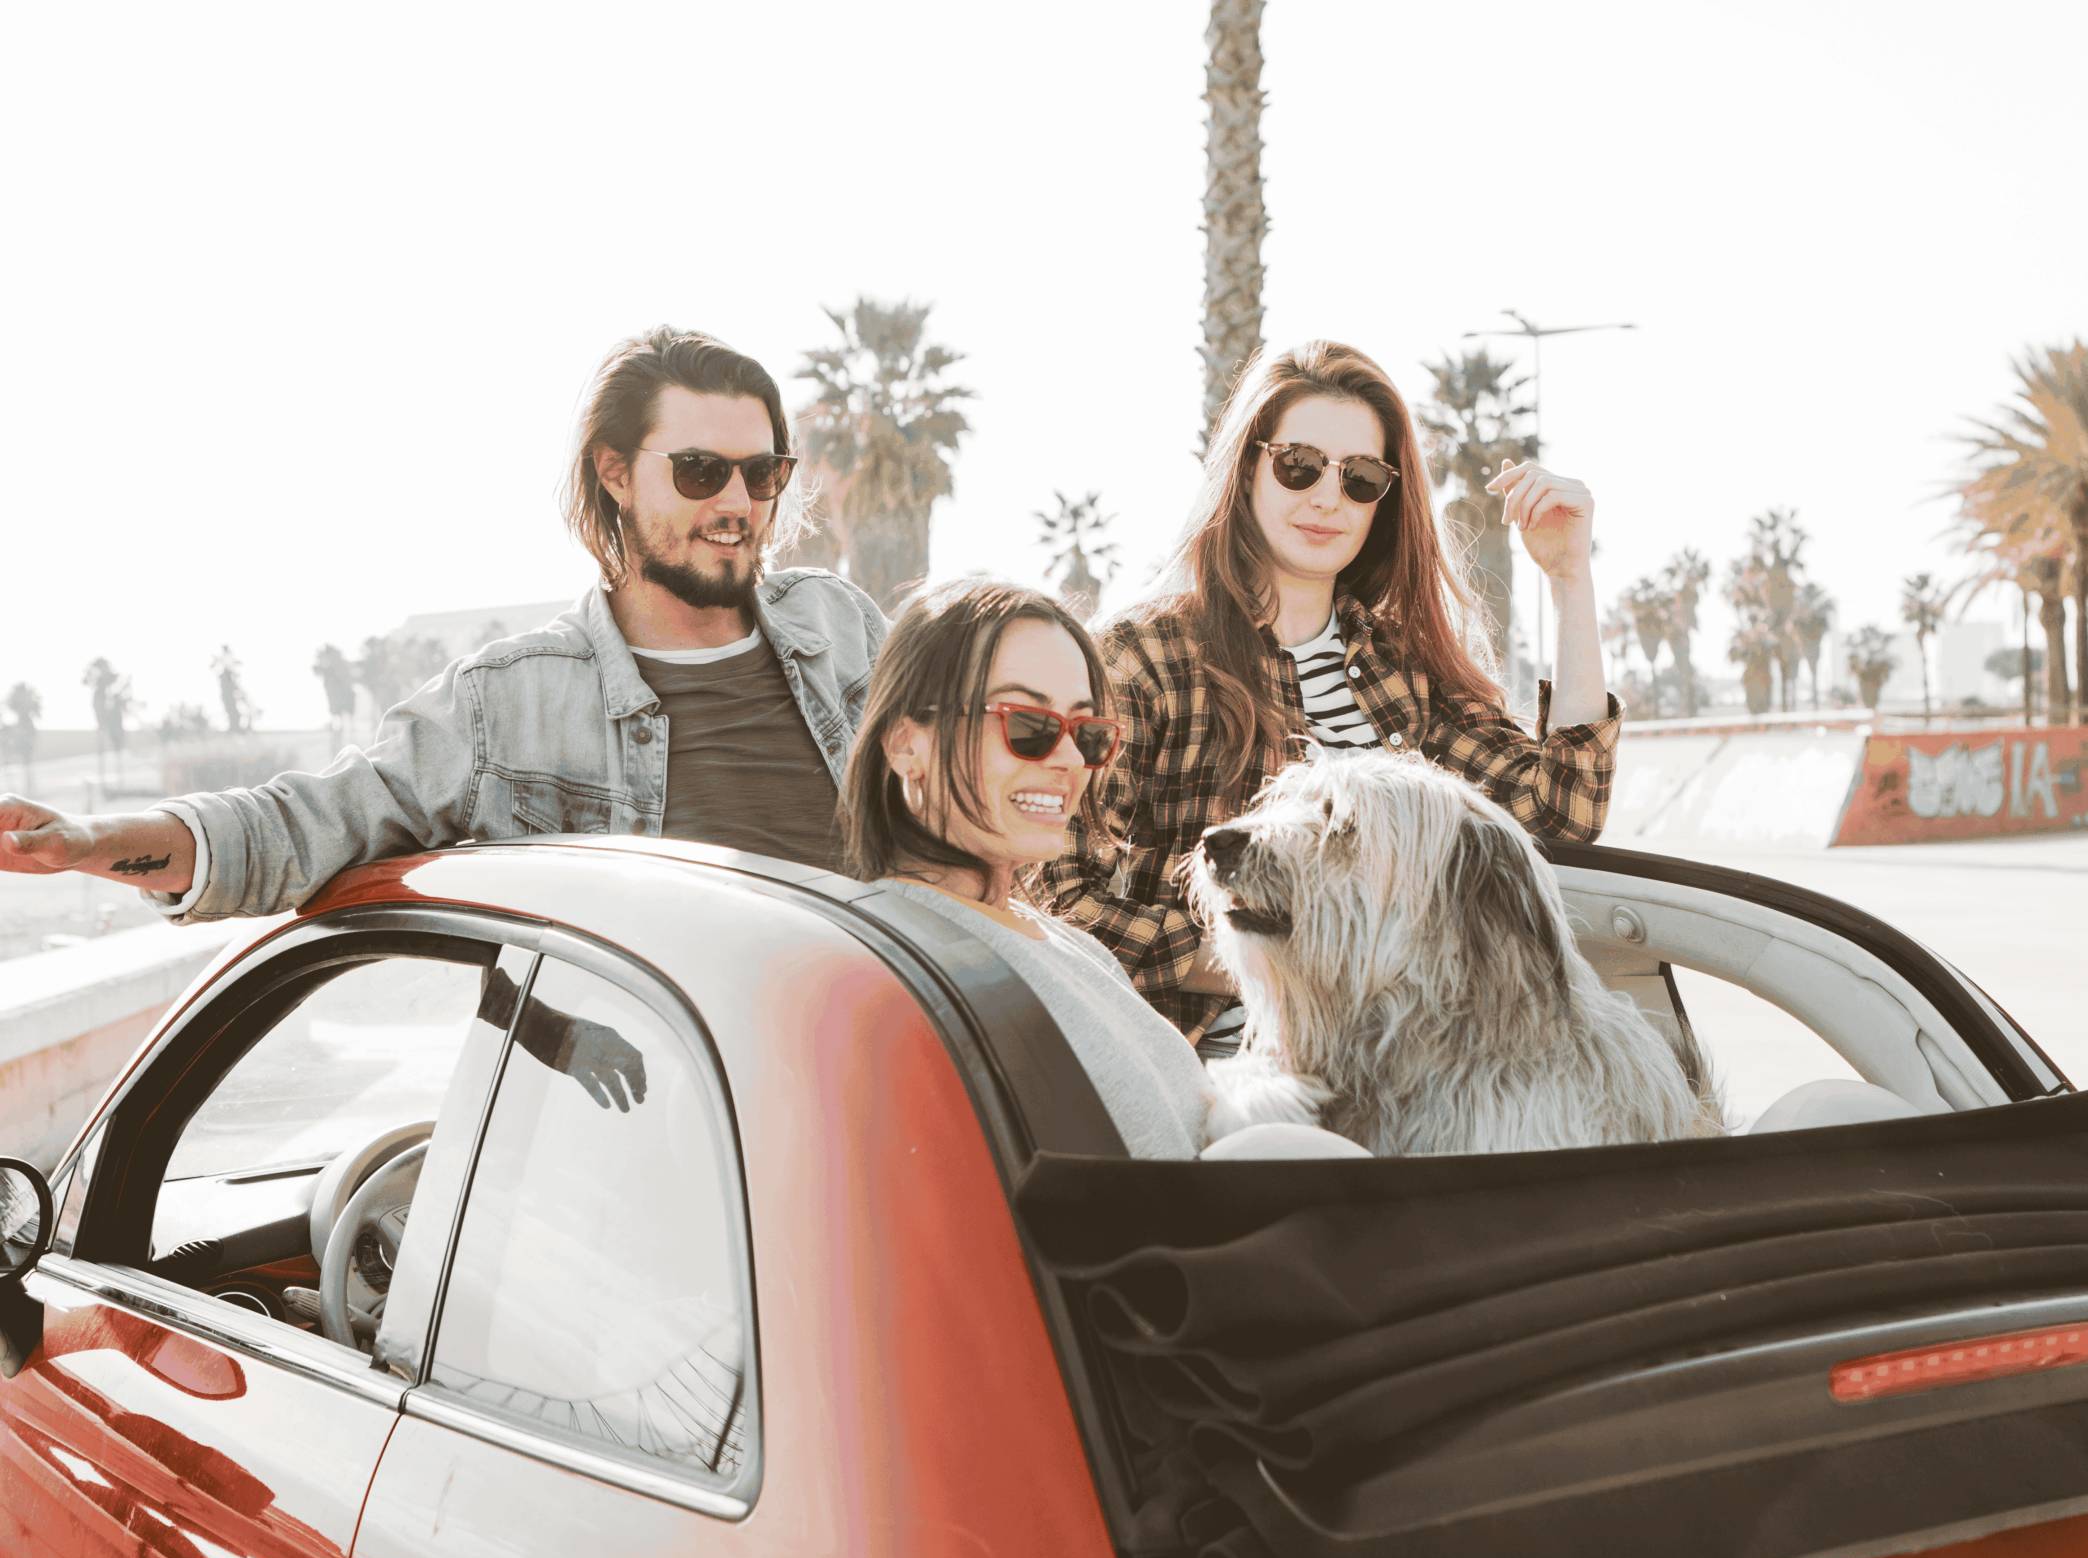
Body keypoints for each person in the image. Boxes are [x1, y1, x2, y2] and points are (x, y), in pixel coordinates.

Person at [0, 327, 887, 920]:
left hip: (881, 1093)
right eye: (698, 471)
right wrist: (92, 843)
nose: (736, 503)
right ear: (615, 474)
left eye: (761, 473)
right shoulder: (509, 703)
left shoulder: (842, 626)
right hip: (638, 1139)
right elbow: (301, 827)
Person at [1029, 339, 1621, 1054]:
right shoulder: (1141, 659)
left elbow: (1561, 811)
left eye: (1362, 478)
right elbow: (1054, 898)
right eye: (1299, 465)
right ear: (1248, 467)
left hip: (1419, 1063)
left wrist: (1568, 578)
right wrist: (1301, 960)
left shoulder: (1406, 665)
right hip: (1229, 1066)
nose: (1326, 498)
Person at [842, 580, 1206, 1161]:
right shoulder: (901, 966)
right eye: (1027, 726)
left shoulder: (1076, 948)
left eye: (1088, 733)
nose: (1068, 759)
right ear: (907, 742)